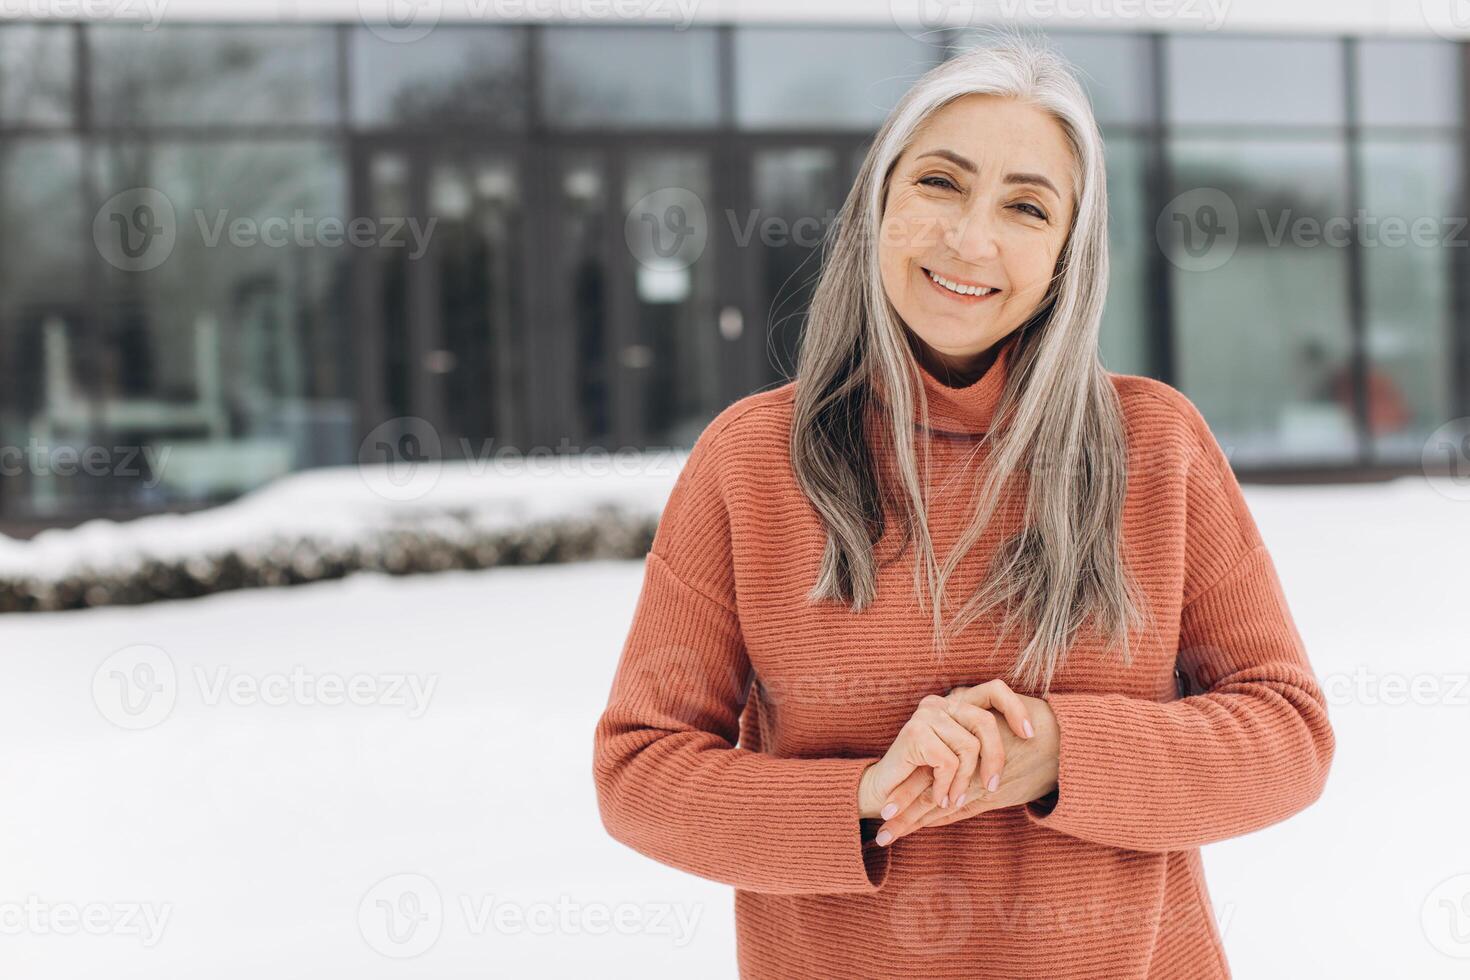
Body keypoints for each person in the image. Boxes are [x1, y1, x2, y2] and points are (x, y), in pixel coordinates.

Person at [593, 31, 1335, 979]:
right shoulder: (752, 461)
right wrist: (864, 795)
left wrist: (1061, 752)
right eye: (940, 183)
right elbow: (640, 773)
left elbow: (1287, 735)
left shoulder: (1154, 446)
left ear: (1068, 250)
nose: (970, 238)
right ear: (879, 201)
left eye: (1026, 206)